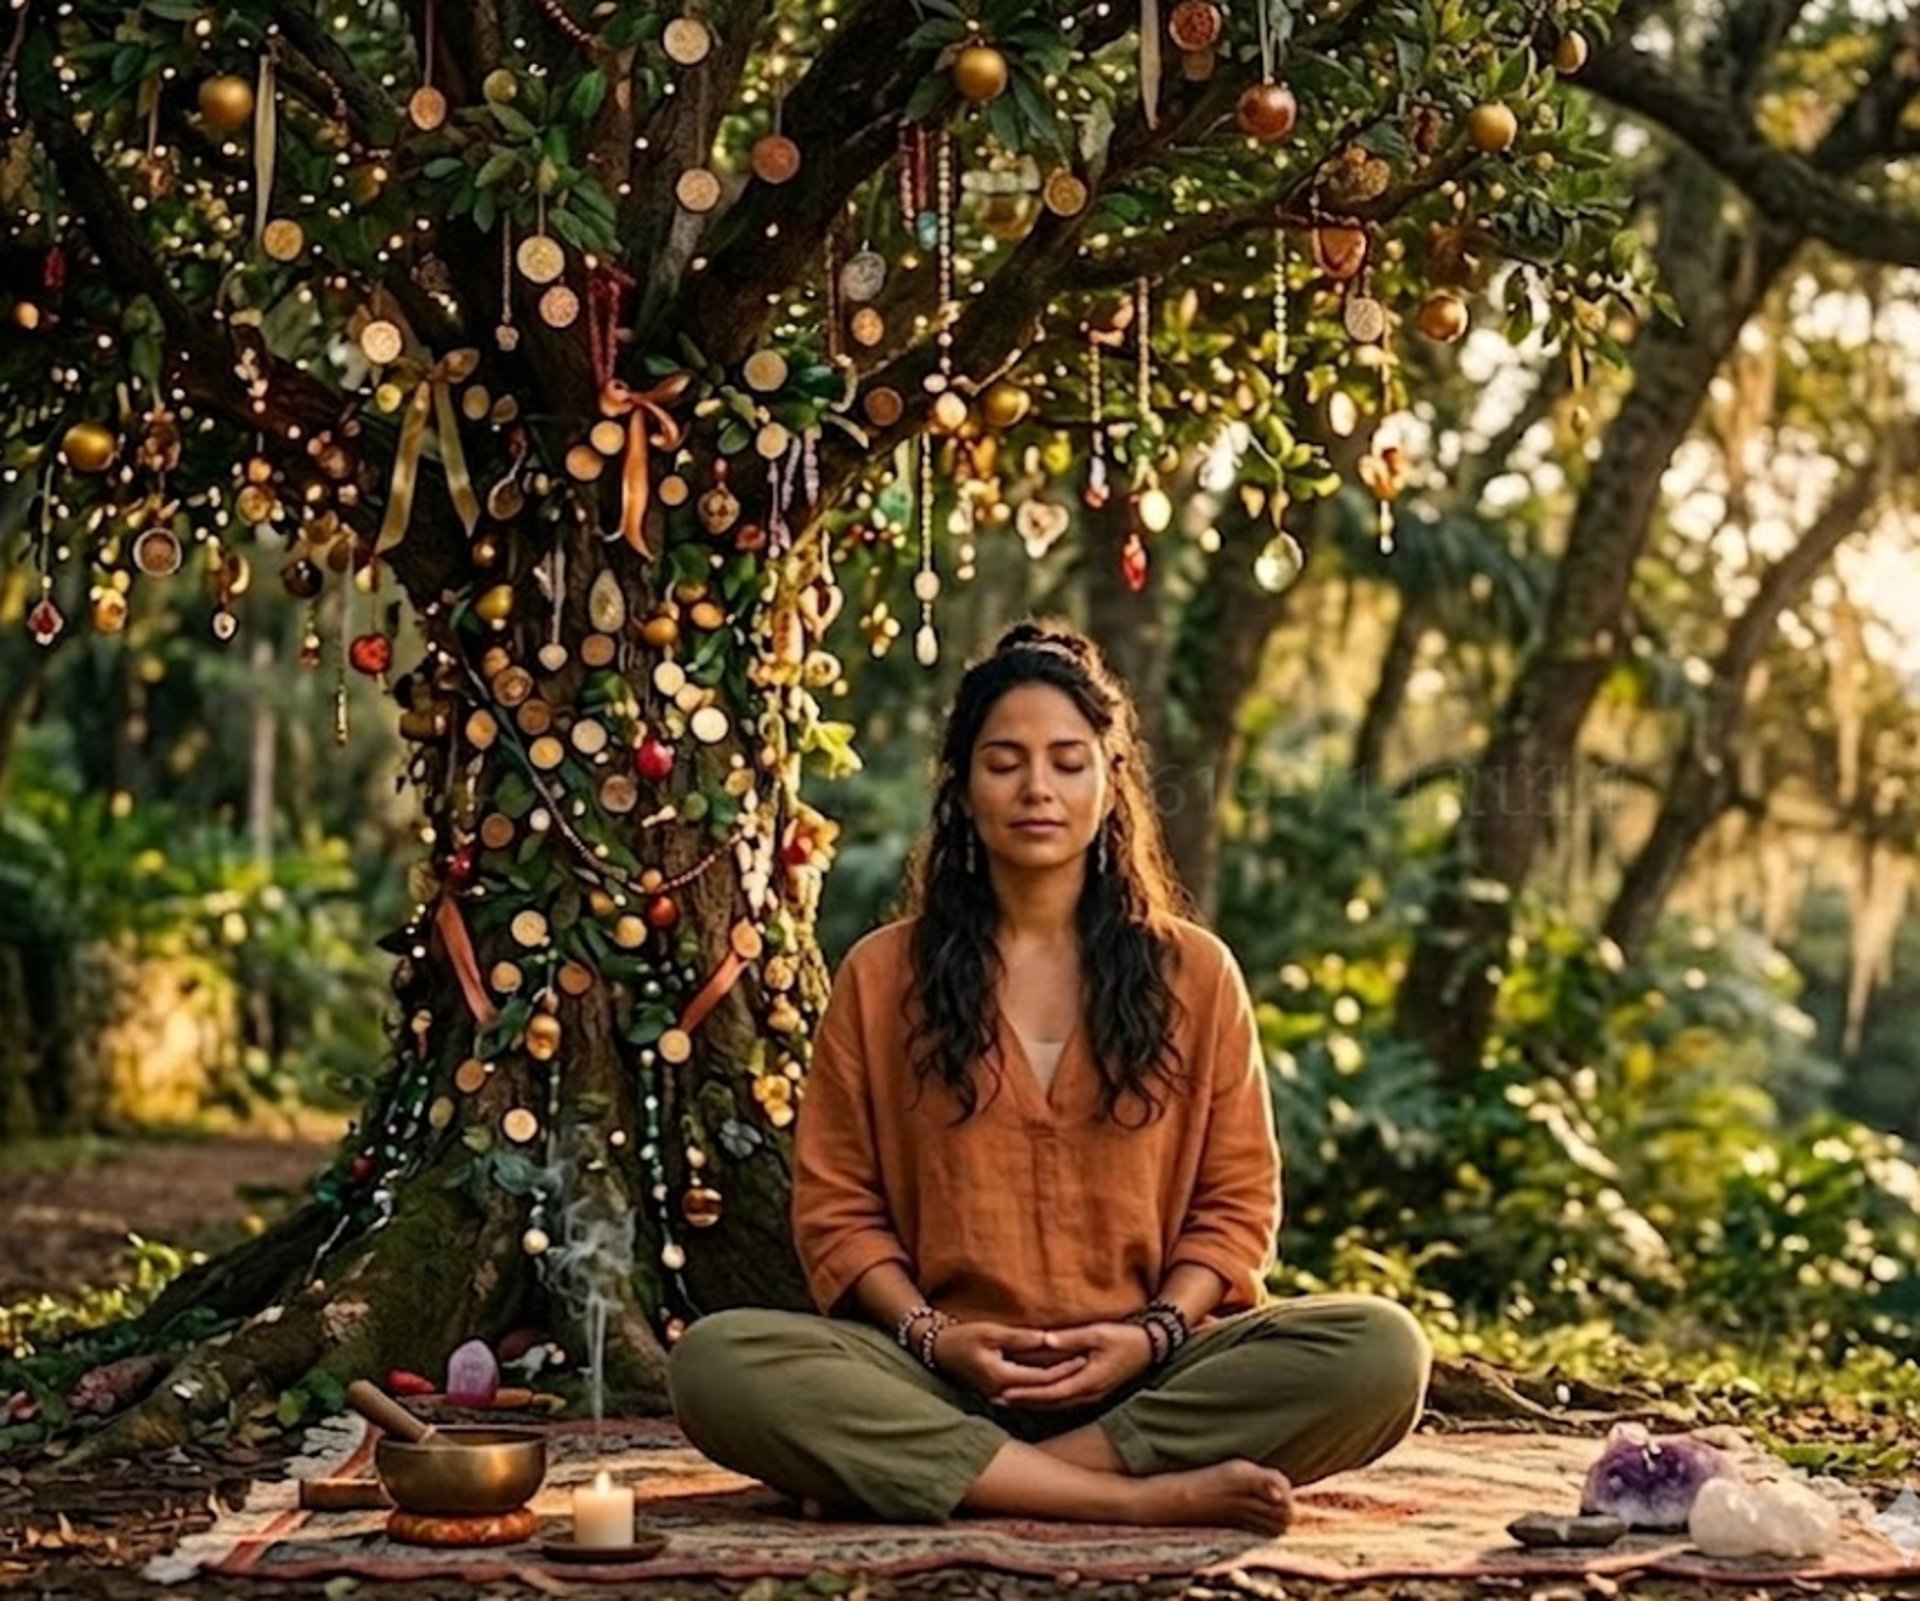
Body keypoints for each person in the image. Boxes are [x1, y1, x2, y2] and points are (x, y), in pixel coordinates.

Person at [668, 620, 1430, 1533]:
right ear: (962, 784)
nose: (1038, 788)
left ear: (1111, 783)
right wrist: (936, 1337)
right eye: (1006, 761)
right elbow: (837, 1209)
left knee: (1380, 1351)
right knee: (716, 1362)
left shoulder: (1195, 972)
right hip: (935, 1376)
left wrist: (1149, 1334)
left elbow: (1234, 1209)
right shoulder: (881, 974)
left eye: (1069, 761)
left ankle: (961, 1477)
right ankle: (1121, 1499)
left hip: (1149, 1377)